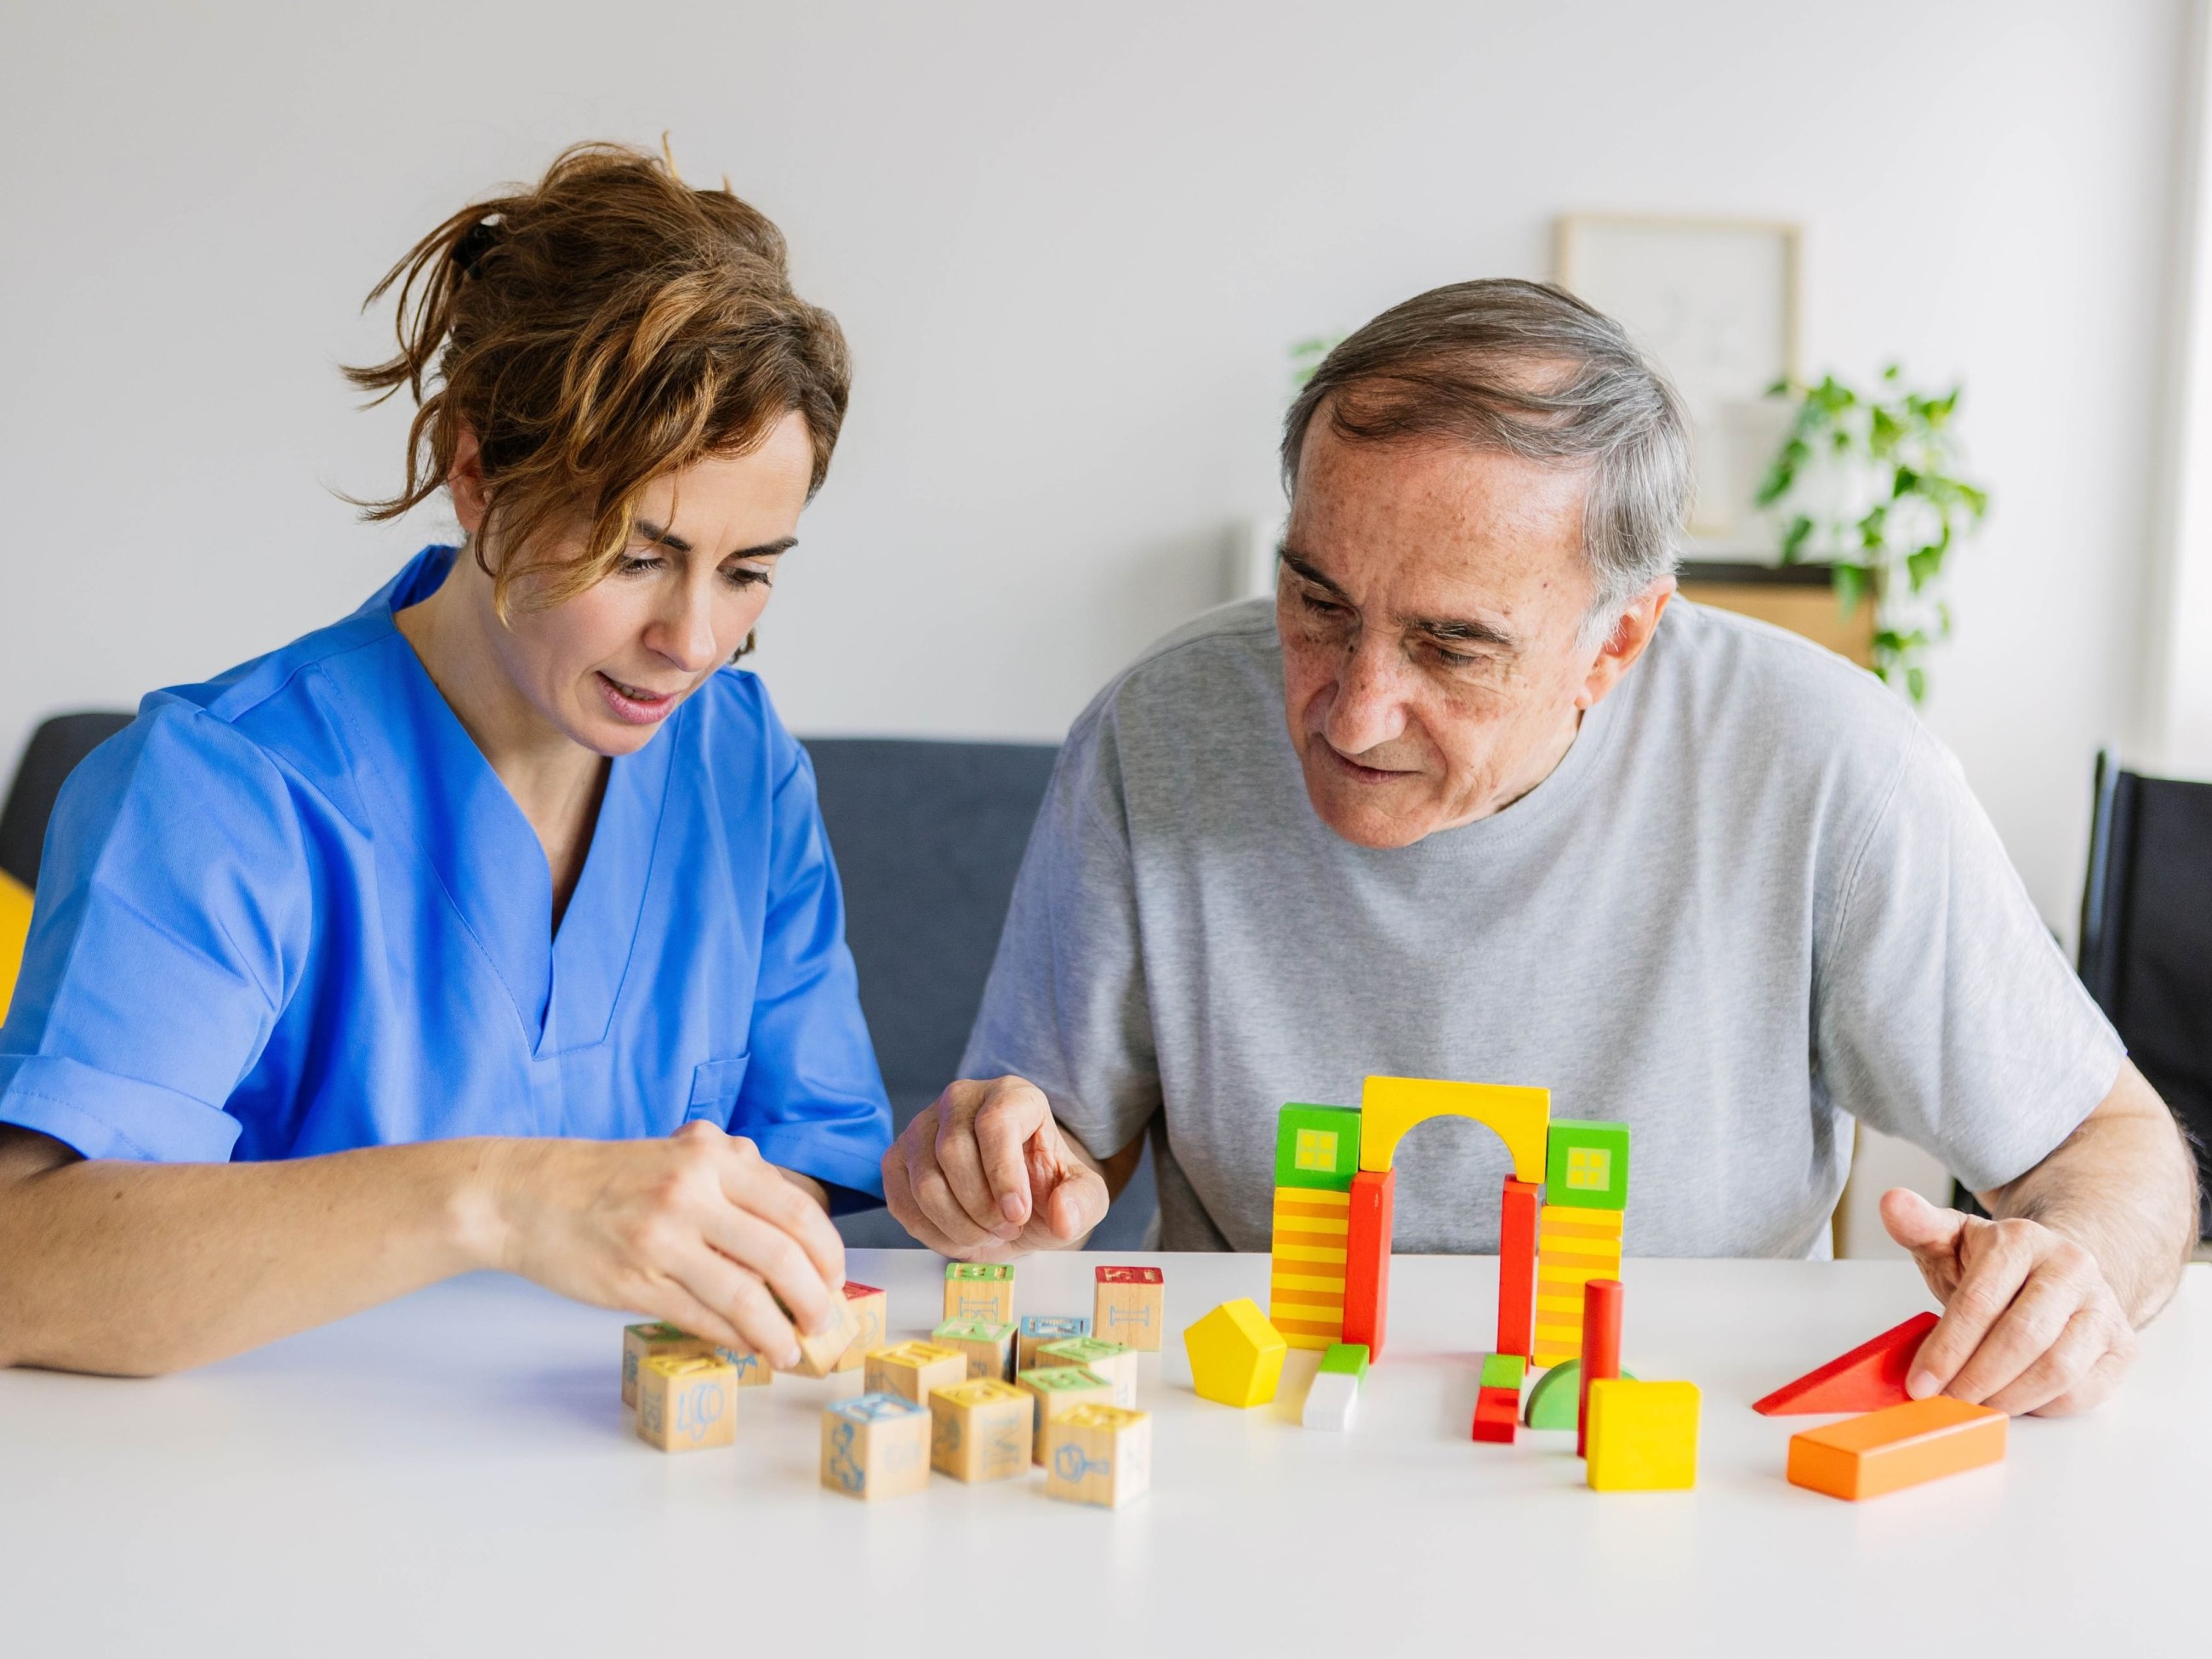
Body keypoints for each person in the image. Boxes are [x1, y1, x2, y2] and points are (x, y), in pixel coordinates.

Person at [887, 278, 2201, 1417]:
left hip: (1678, 1447)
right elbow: (1051, 1142)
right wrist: (1001, 1168)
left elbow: (2114, 1151)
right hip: (1260, 1433)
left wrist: (2073, 1269)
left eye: (1452, 645)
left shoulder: (1829, 767)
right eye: (1316, 601)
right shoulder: (1153, 730)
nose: (1353, 708)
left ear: (1617, 643)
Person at [0, 144, 887, 1376]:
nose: (692, 642)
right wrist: (500, 1199)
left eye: (747, 572)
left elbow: (806, 1170)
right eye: (639, 554)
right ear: (476, 475)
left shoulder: (743, 770)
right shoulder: (219, 791)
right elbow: (21, 1266)